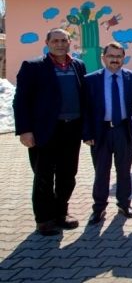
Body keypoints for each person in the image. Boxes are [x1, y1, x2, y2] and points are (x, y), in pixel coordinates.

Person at [13, 28, 87, 236]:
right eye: (55, 40)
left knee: (67, 175)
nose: (60, 44)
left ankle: (61, 213)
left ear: (70, 42)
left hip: (72, 129)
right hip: (45, 131)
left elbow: (85, 97)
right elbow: (21, 101)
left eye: (64, 40)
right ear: (47, 43)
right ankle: (44, 219)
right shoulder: (33, 67)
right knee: (44, 175)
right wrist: (25, 130)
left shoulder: (78, 65)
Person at [83, 42, 132, 225]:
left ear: (123, 58)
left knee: (124, 171)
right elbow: (86, 109)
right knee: (101, 171)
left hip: (123, 131)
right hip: (100, 132)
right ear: (103, 58)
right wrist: (87, 134)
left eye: (119, 56)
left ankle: (124, 204)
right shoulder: (91, 80)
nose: (115, 60)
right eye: (111, 56)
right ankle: (99, 207)